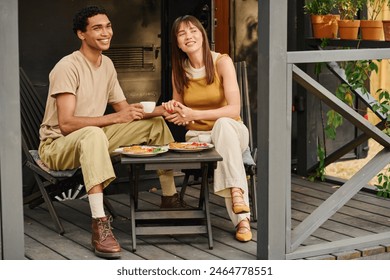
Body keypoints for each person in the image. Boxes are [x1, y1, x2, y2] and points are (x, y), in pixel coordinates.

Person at [38, 6, 184, 259]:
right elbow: (66, 124)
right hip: (57, 146)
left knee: (155, 124)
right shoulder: (67, 67)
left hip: (94, 137)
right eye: (97, 28)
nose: (106, 32)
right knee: (94, 134)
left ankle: (169, 197)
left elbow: (125, 111)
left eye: (108, 26)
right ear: (81, 34)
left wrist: (164, 109)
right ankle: (100, 223)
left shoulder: (106, 64)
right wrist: (116, 118)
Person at [162, 15, 253, 242]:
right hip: (199, 138)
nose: (188, 36)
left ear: (202, 34)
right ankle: (239, 206)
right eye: (182, 34)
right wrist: (175, 109)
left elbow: (233, 109)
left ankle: (241, 212)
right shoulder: (179, 71)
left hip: (233, 132)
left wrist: (196, 114)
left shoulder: (222, 62)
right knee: (219, 139)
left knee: (223, 125)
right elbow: (180, 114)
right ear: (178, 43)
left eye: (193, 30)